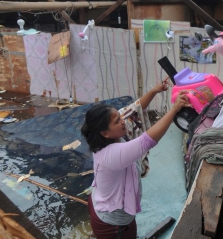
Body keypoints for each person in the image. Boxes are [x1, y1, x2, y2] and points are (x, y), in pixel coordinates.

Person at [81, 82, 190, 239]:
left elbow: (134, 110)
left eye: (119, 117)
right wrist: (174, 110)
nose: (123, 120)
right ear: (105, 133)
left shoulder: (110, 135)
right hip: (112, 225)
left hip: (103, 205)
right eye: (117, 121)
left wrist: (154, 91)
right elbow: (147, 140)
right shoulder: (112, 155)